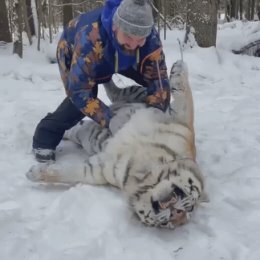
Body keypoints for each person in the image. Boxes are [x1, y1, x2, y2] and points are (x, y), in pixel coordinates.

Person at [32, 0, 171, 163]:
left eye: (140, 39)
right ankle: (45, 136)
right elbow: (78, 92)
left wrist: (155, 116)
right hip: (78, 52)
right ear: (115, 26)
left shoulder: (150, 39)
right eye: (128, 35)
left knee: (152, 81)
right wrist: (110, 119)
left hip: (121, 58)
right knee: (82, 101)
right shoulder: (90, 37)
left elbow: (159, 80)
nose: (134, 44)